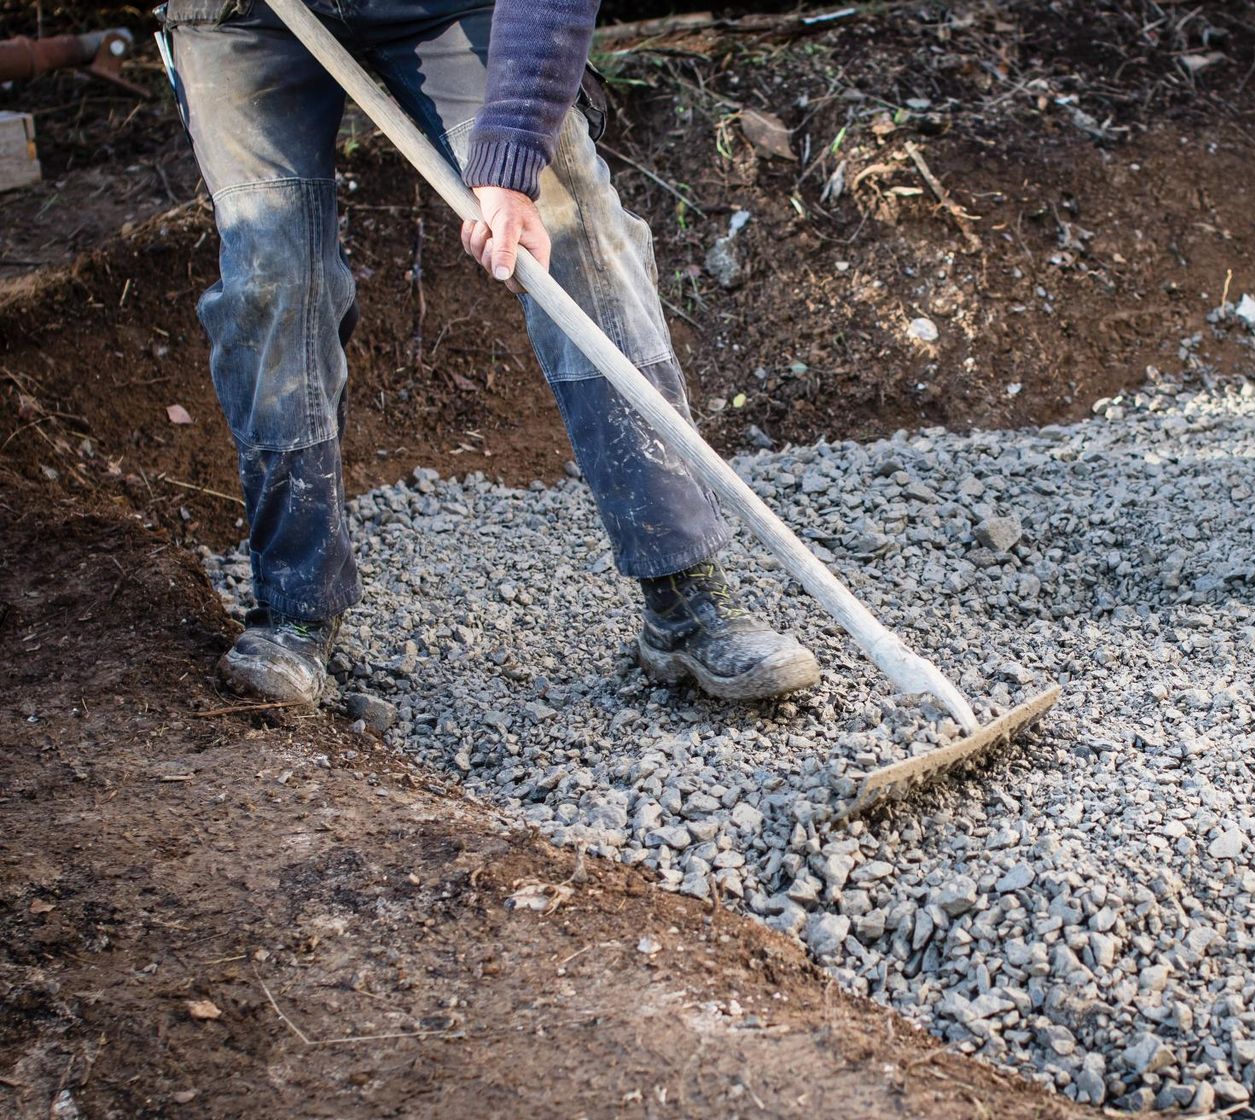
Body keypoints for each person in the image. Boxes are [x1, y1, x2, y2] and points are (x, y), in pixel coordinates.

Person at [157, 0, 821, 706]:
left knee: (570, 219)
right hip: (247, 15)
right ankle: (293, 608)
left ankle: (684, 591)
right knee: (274, 274)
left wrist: (511, 155)